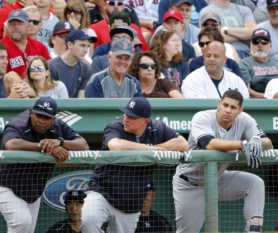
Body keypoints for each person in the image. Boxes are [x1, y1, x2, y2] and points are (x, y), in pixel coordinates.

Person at [81, 97, 188, 233]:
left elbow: (183, 144)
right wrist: (147, 149)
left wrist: (156, 147)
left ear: (145, 121)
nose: (126, 119)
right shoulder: (115, 126)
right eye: (126, 114)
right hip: (102, 191)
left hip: (131, 200)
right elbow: (116, 145)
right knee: (88, 222)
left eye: (132, 117)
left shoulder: (157, 128)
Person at [173, 90, 274, 233]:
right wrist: (243, 144)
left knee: (255, 183)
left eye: (233, 107)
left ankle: (253, 229)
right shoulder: (202, 117)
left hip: (217, 180)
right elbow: (209, 144)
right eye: (225, 105)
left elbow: (268, 142)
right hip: (190, 183)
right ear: (219, 104)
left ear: (240, 110)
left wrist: (257, 142)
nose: (228, 110)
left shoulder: (245, 119)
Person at [0, 97, 89, 233]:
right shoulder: (19, 123)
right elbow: (11, 144)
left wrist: (60, 142)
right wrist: (46, 147)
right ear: (31, 113)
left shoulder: (58, 125)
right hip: (4, 184)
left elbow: (84, 145)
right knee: (22, 222)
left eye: (46, 118)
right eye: (38, 115)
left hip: (32, 189)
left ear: (53, 120)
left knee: (27, 229)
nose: (41, 120)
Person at [182, 41, 249, 98]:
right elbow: (200, 109)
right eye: (208, 56)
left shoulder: (236, 81)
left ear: (224, 59)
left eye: (216, 56)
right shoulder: (193, 79)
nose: (211, 59)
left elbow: (245, 106)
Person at [1, 9, 51, 78]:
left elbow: (50, 72)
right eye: (12, 24)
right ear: (8, 26)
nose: (16, 27)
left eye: (20, 24)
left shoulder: (40, 47)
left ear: (28, 26)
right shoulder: (0, 48)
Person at [49, 29, 95, 98]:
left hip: (75, 108)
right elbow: (51, 98)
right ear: (69, 45)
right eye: (82, 45)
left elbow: (81, 100)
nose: (86, 50)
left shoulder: (86, 69)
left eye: (87, 46)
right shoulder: (51, 66)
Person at [239, 28, 278, 98]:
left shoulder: (276, 63)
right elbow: (245, 89)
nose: (260, 45)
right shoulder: (244, 64)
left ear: (270, 46)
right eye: (256, 41)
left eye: (264, 41)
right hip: (256, 102)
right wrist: (267, 96)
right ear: (250, 45)